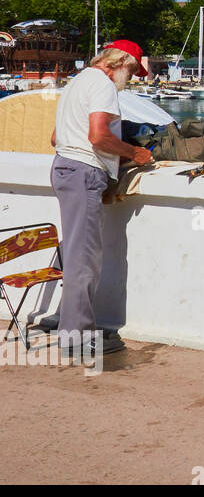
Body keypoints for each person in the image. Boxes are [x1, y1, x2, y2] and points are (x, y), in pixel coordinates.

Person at [48, 40, 154, 358]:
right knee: (85, 259)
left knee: (80, 253)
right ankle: (76, 337)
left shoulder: (78, 81)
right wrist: (133, 152)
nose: (132, 78)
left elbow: (56, 137)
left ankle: (75, 329)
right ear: (120, 62)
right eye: (132, 71)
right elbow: (98, 136)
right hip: (82, 173)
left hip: (65, 168)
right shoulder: (104, 85)